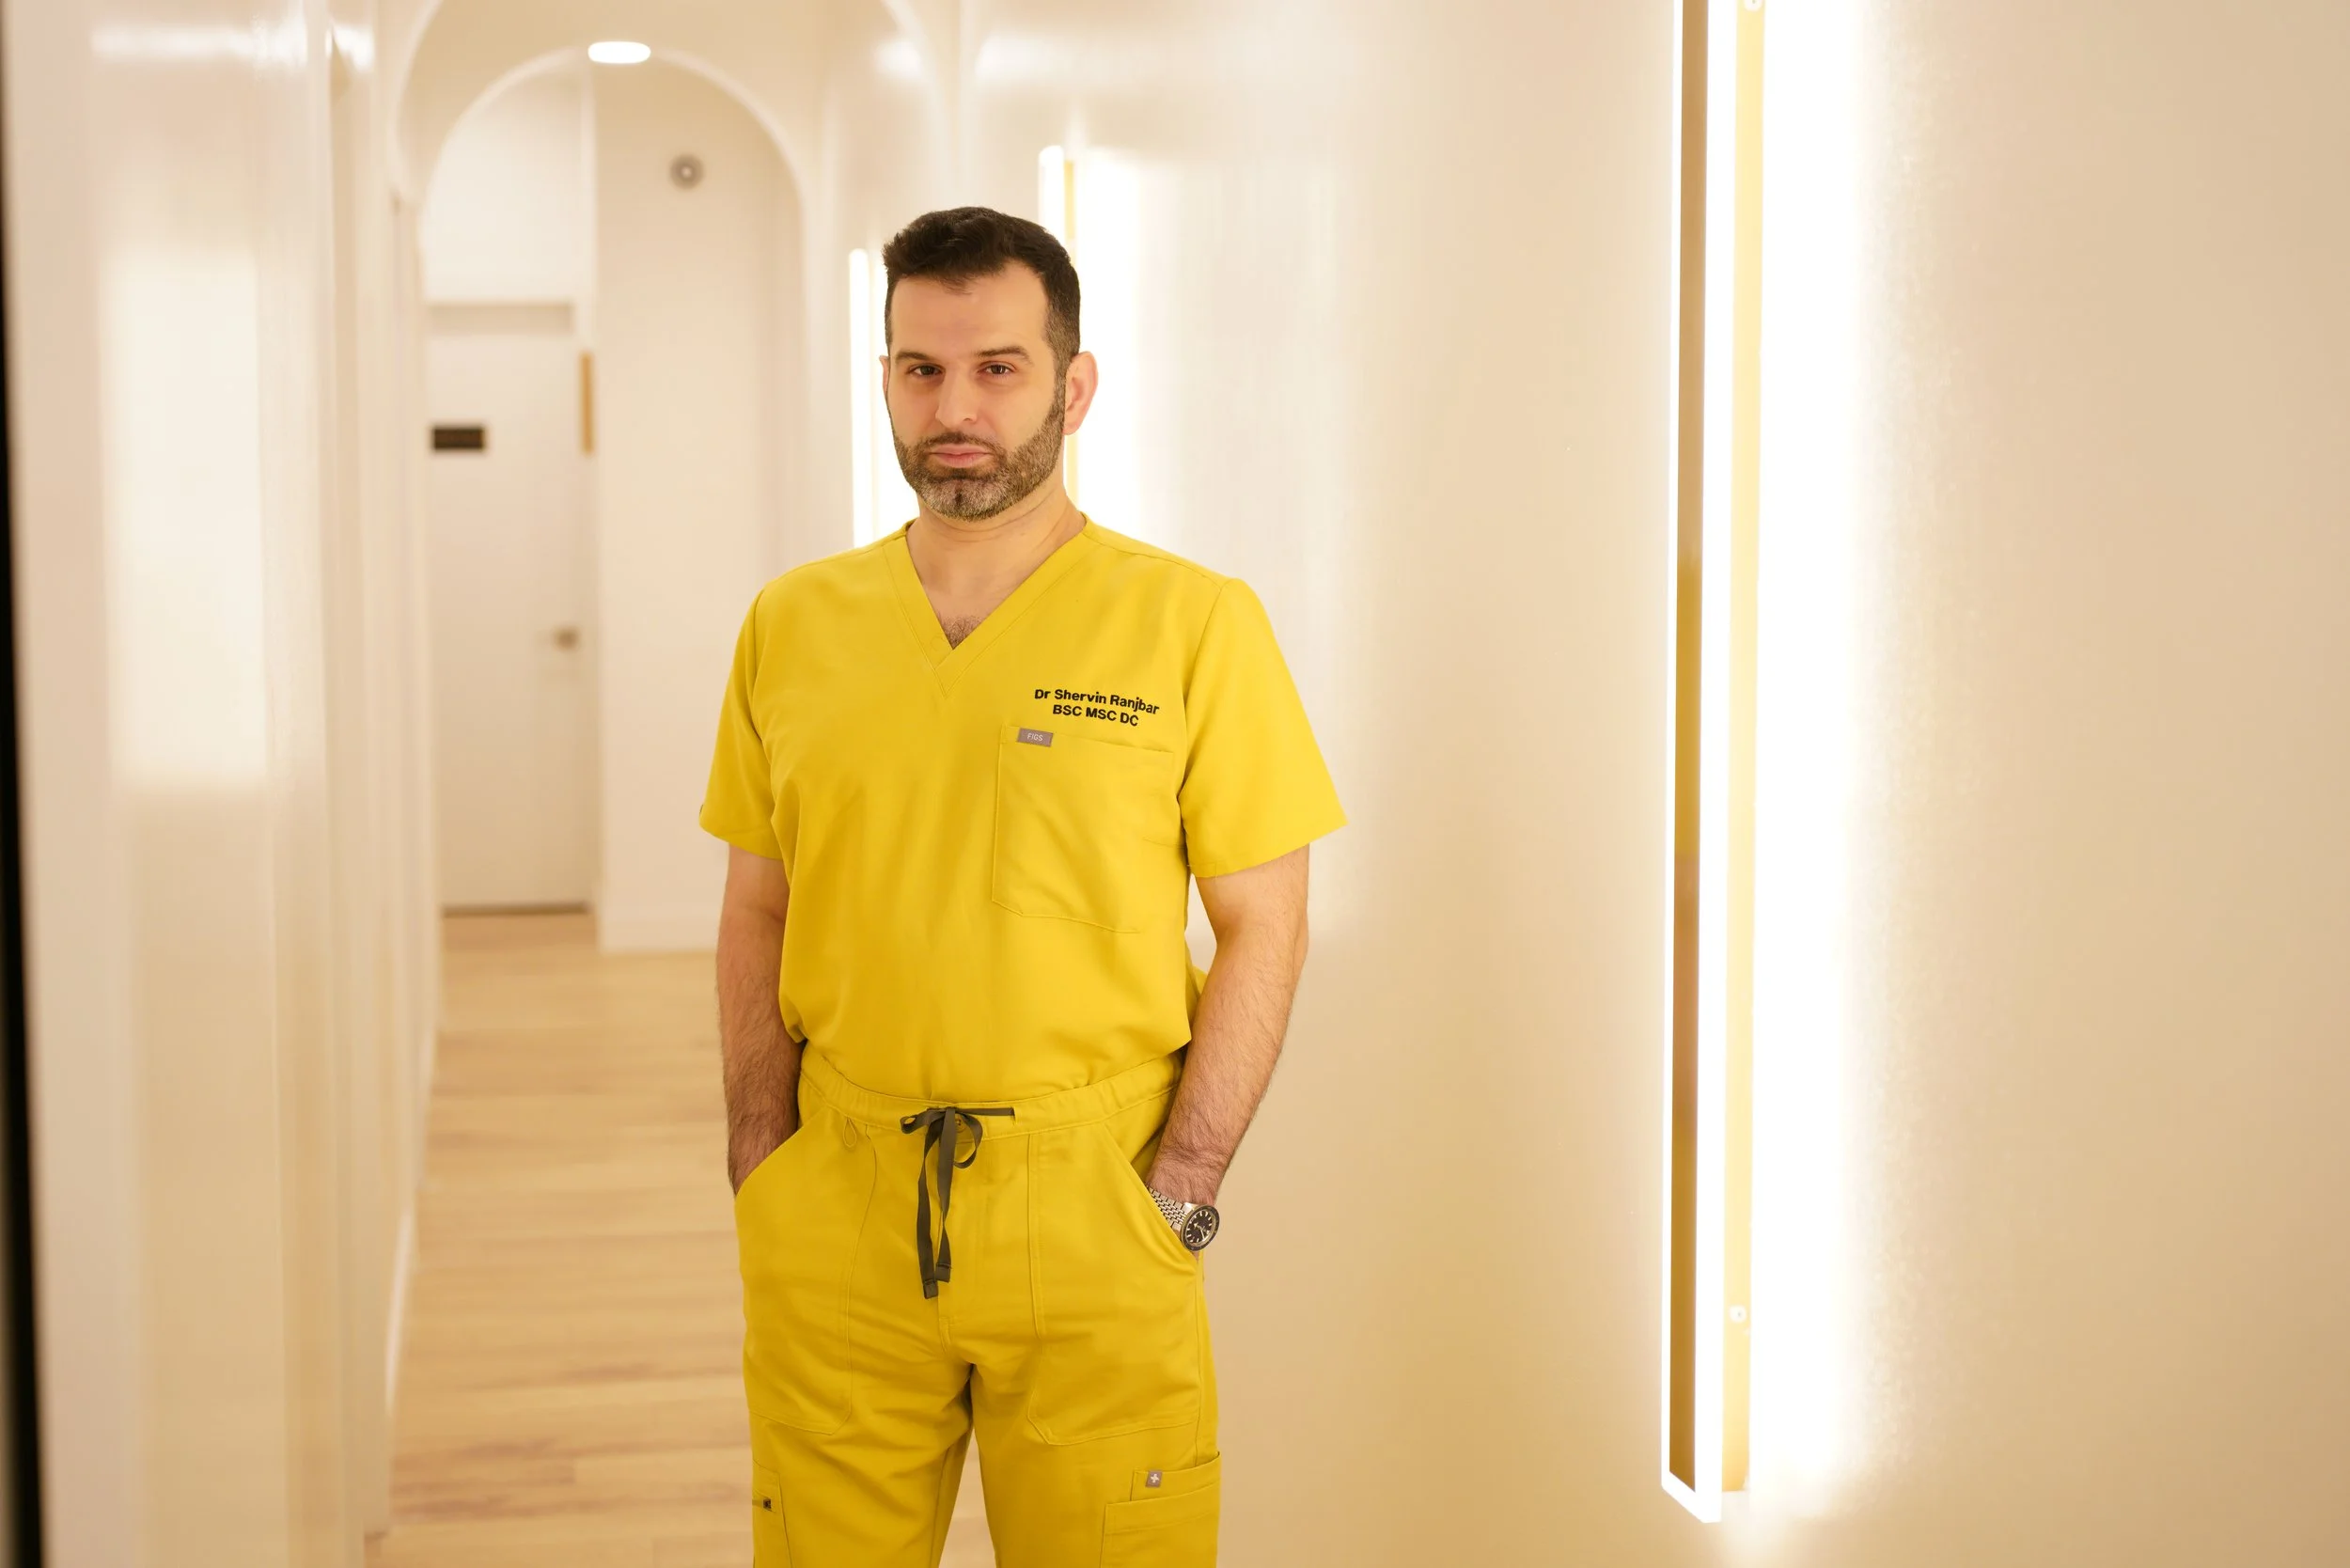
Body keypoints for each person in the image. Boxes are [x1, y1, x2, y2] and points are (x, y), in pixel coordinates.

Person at [699, 205, 1344, 1567]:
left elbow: (1265, 921)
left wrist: (1181, 1189)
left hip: (1094, 1204)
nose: (955, 409)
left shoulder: (1191, 623)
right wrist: (766, 1158)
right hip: (844, 1201)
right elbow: (757, 906)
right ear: (883, 378)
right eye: (920, 369)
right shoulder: (793, 625)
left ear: (1075, 383)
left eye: (997, 367)